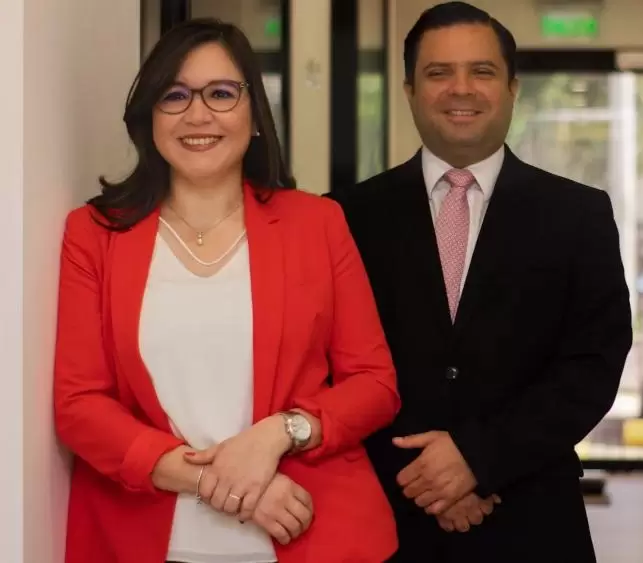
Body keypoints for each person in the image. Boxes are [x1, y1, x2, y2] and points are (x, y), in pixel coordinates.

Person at [53, 19, 399, 563]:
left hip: (309, 529)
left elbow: (375, 384)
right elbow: (79, 404)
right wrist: (230, 483)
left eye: (221, 93)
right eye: (174, 95)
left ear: (254, 114)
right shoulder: (94, 234)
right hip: (141, 537)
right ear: (149, 118)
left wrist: (278, 434)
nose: (198, 115)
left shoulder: (318, 223)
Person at [328, 2, 633, 562]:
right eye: (438, 73)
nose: (459, 89)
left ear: (513, 87)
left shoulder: (578, 214)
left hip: (533, 521)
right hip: (384, 520)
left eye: (482, 72)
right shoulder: (343, 217)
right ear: (409, 89)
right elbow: (329, 368)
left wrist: (476, 459)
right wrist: (427, 479)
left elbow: (593, 366)